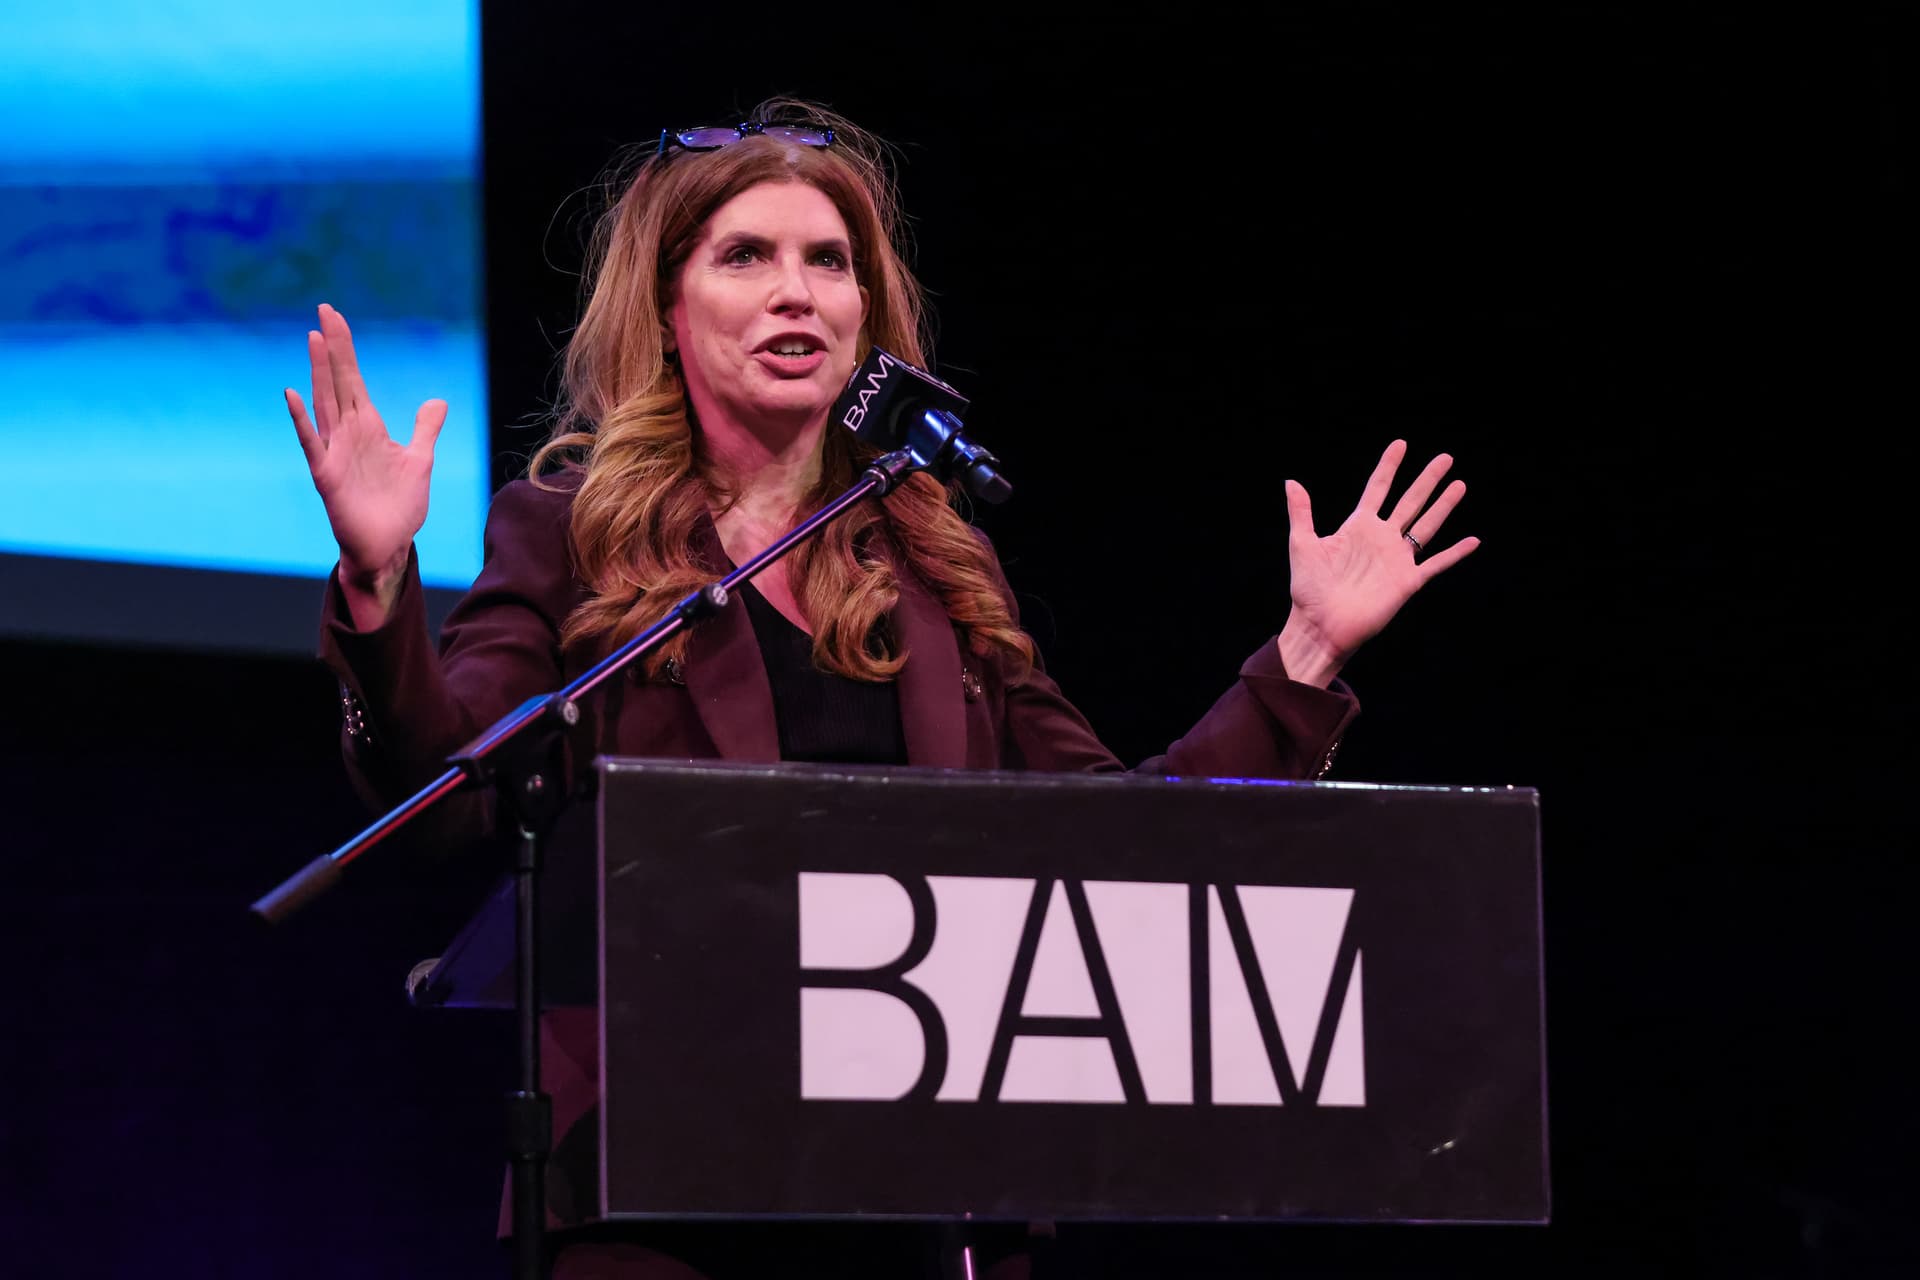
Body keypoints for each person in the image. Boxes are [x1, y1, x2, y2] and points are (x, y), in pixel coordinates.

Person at [285, 97, 1478, 1280]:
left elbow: (1125, 843)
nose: (796, 292)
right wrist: (378, 582)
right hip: (660, 1185)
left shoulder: (937, 568)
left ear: (866, 314)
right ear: (666, 308)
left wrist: (1305, 653)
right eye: (746, 256)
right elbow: (447, 792)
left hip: (925, 1184)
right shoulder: (567, 534)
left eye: (829, 261)